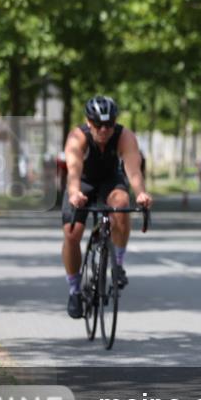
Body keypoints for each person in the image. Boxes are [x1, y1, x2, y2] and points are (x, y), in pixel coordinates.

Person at [61, 95, 153, 319]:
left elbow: (133, 170)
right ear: (88, 122)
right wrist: (74, 194)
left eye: (109, 124)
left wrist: (140, 192)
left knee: (122, 203)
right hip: (83, 182)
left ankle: (118, 264)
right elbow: (73, 171)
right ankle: (74, 289)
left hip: (111, 180)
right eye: (98, 125)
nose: (104, 130)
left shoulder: (125, 136)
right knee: (72, 233)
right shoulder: (77, 137)